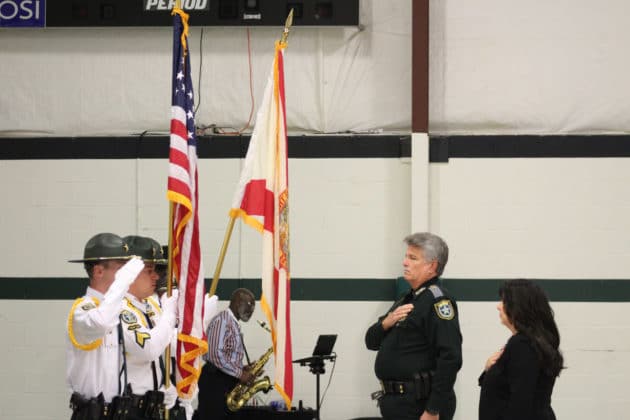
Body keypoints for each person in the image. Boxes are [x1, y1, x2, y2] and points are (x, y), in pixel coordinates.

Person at [365, 232, 462, 420]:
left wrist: (433, 409)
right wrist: (386, 322)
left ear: (431, 266)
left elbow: (451, 358)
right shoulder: (407, 299)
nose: (404, 262)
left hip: (420, 404)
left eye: (413, 258)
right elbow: (371, 341)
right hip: (397, 403)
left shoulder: (438, 301)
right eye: (406, 256)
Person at [66, 232, 145, 419]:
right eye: (121, 268)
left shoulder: (117, 308)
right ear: (99, 271)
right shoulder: (82, 311)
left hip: (119, 411)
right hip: (93, 413)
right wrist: (123, 282)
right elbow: (101, 322)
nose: (129, 276)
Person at [478, 279, 563, 420]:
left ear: (518, 307)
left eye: (503, 302)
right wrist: (488, 369)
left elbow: (521, 404)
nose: (498, 306)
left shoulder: (523, 345)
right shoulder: (527, 342)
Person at [119, 235, 179, 419]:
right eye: (149, 270)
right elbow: (149, 349)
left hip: (151, 406)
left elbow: (172, 344)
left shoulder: (150, 304)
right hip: (129, 408)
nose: (157, 276)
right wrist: (169, 315)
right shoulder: (119, 309)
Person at [194, 288, 256, 420]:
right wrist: (240, 374)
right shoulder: (222, 320)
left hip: (226, 381)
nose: (251, 311)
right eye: (249, 305)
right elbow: (215, 354)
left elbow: (225, 355)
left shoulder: (232, 322)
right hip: (215, 382)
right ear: (238, 302)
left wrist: (241, 368)